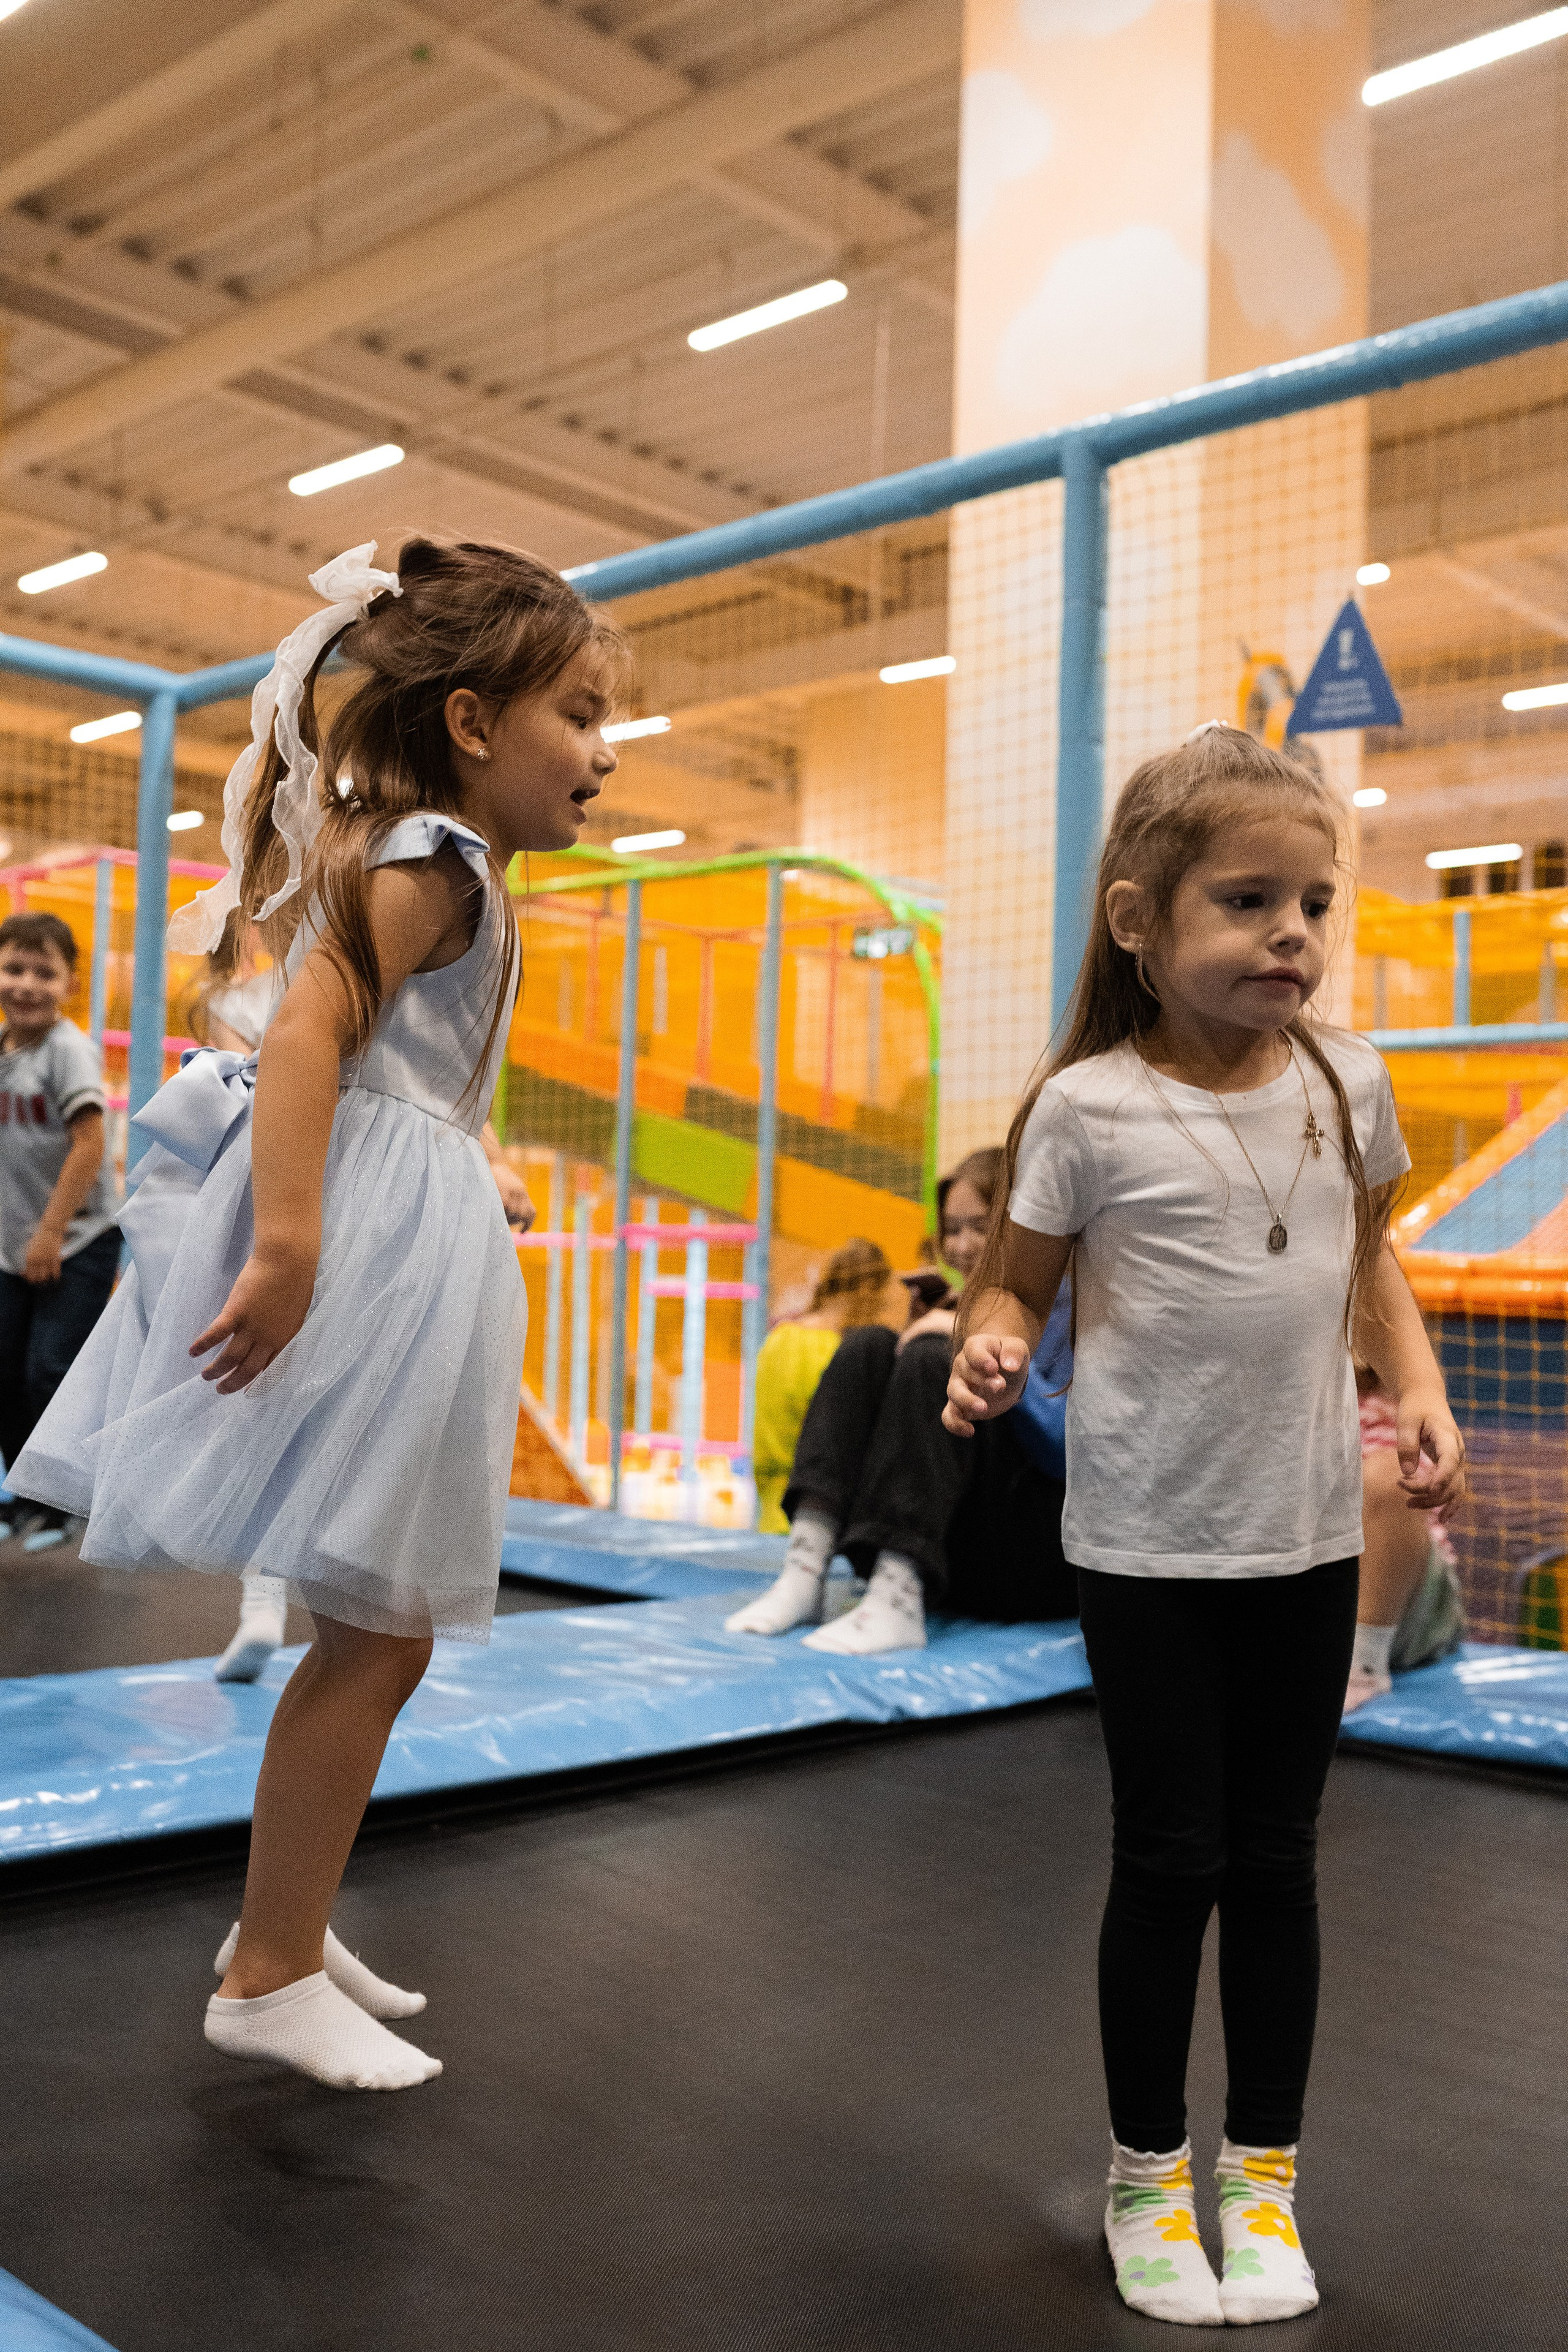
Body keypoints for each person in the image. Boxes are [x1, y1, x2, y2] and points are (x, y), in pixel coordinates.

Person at [10, 536, 624, 2091]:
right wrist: (289, 1243)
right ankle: (269, 1967)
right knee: (375, 1631)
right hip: (361, 1253)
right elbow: (309, 1033)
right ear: (476, 722)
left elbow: (390, 1066)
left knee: (381, 1634)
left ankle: (281, 1921)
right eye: (580, 714)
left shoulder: (438, 857)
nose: (602, 756)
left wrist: (452, 1169)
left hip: (408, 1230)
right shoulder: (433, 854)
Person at [943, 724, 1465, 2326]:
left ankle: (1264, 2171)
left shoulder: (1345, 1081)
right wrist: (994, 1343)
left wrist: (1419, 1379)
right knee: (1170, 1858)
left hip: (1306, 1529)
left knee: (1282, 1861)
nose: (1292, 935)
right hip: (1149, 1545)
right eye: (1248, 902)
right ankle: (1147, 2178)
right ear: (1138, 925)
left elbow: (1367, 1258)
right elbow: (1018, 1284)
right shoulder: (1087, 1111)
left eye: (1314, 903)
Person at [194, 916, 538, 1686]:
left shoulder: (389, 950)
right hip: (326, 1187)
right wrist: (280, 1242)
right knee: (281, 1418)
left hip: (381, 1197)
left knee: (308, 1426)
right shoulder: (259, 997)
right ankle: (263, 1606)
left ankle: (284, 1602)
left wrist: (494, 1160)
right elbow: (283, 1069)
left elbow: (423, 1074)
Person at [726, 1147, 1075, 1651]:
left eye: (979, 1226)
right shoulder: (969, 1303)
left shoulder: (1065, 1298)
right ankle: (805, 1567)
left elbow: (1067, 1448)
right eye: (951, 1230)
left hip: (1033, 1563)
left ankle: (897, 1596)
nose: (961, 1245)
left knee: (935, 1353)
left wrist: (967, 1351)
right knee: (868, 1345)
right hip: (957, 1558)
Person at [0, 911, 119, 1553]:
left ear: (70, 984)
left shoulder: (66, 1050)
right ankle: (29, 1495)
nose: (26, 984)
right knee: (4, 1371)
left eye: (44, 973)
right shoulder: (4, 1048)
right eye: (14, 968)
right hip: (14, 1246)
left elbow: (90, 1142)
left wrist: (49, 1233)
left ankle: (65, 1501)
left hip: (75, 1242)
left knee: (51, 1370)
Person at [1343, 1367, 1465, 1713]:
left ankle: (1362, 1668)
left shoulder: (1391, 1407)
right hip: (1307, 1597)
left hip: (1407, 1609)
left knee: (1393, 1478)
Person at [751, 1237, 893, 1531]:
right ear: (867, 1291)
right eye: (881, 1303)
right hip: (821, 1516)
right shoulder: (840, 1354)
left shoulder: (779, 1338)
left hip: (770, 1509)